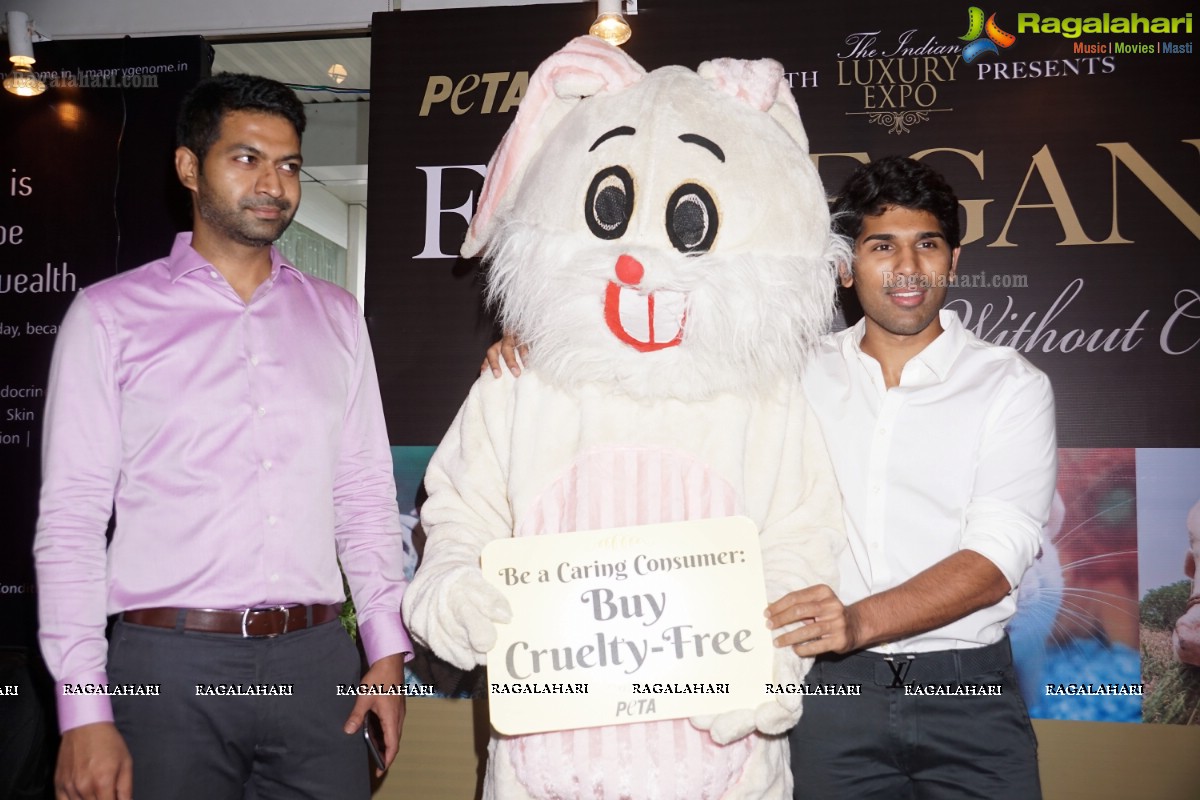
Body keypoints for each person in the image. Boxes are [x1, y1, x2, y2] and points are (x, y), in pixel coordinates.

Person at [485, 156, 1057, 798]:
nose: (907, 267)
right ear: (844, 266)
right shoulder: (787, 372)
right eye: (881, 246)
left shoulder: (1011, 386)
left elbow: (996, 558)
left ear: (954, 261)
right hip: (828, 693)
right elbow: (658, 358)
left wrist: (859, 621)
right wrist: (544, 342)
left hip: (968, 690)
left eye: (928, 244)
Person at [34, 73, 410, 800]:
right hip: (166, 671)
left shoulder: (336, 315)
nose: (274, 183)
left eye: (291, 165)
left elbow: (362, 492)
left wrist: (386, 650)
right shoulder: (109, 316)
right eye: (246, 158)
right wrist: (82, 708)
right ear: (187, 167)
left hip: (316, 665)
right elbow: (72, 520)